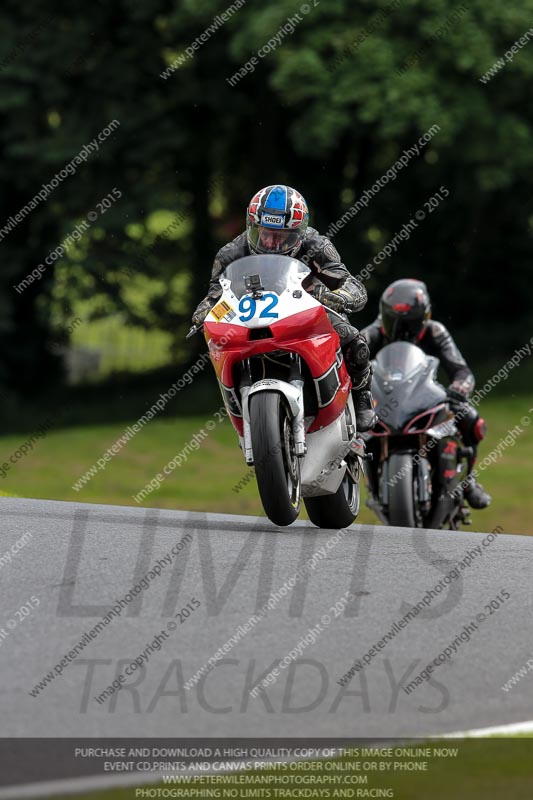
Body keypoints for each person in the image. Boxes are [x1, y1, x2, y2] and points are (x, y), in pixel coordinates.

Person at [191, 184, 376, 431]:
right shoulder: (230, 254)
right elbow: (216, 295)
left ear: (299, 233)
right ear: (251, 226)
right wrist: (204, 311)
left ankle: (362, 396)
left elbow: (349, 283)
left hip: (305, 311)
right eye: (263, 233)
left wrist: (341, 297)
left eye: (282, 237)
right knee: (219, 344)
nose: (270, 242)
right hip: (251, 316)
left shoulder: (316, 245)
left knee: (354, 340)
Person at [361, 278, 491, 509]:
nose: (402, 330)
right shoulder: (371, 334)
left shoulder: (435, 331)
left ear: (425, 317)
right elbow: (347, 363)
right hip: (383, 398)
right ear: (384, 315)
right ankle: (357, 482)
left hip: (425, 396)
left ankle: (469, 481)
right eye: (394, 321)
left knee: (471, 419)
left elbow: (461, 371)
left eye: (409, 323)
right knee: (350, 426)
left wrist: (459, 388)